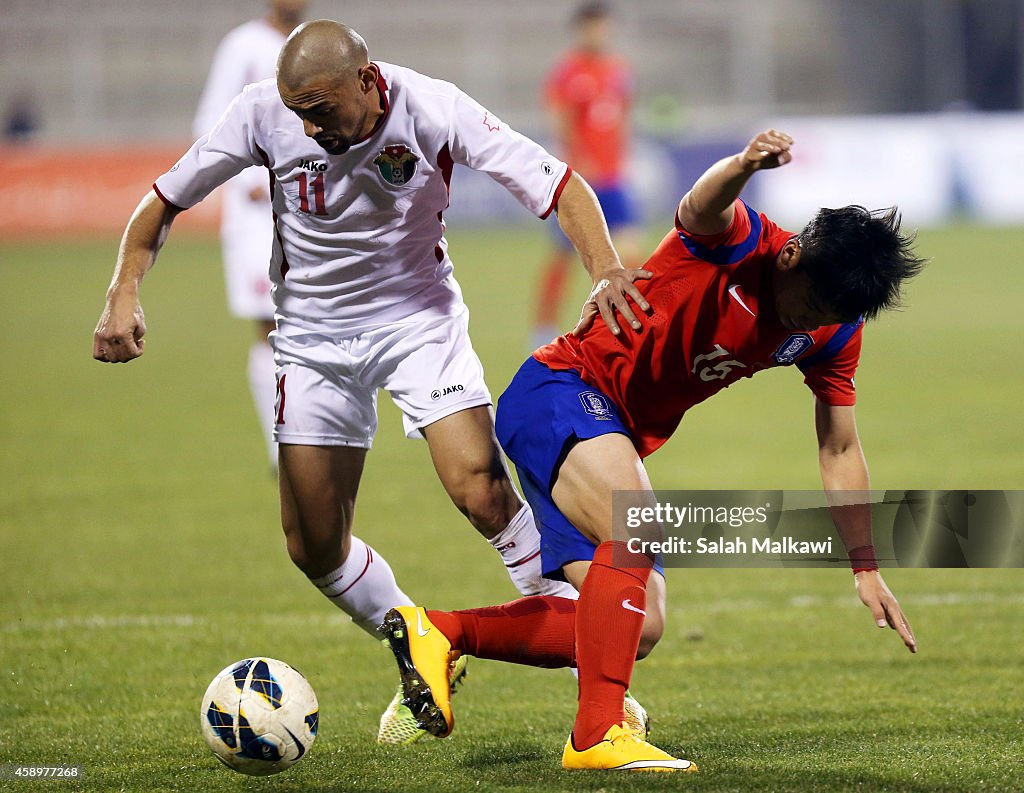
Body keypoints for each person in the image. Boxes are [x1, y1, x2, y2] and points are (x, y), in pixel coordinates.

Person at [92, 20, 651, 746]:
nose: (308, 124)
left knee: (481, 488)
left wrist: (607, 266)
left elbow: (557, 184)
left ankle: (592, 670)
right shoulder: (263, 111)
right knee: (313, 545)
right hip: (312, 340)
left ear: (366, 79)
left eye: (320, 108)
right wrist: (122, 289)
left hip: (420, 323)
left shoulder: (432, 108)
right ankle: (421, 642)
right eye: (299, 112)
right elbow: (163, 199)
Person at [379, 129, 924, 772]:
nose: (815, 321)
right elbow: (701, 204)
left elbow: (839, 447)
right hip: (564, 388)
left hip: (611, 430)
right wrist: (745, 164)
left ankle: (441, 632)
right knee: (634, 526)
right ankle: (597, 736)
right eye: (815, 302)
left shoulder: (832, 333)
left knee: (641, 627)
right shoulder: (745, 243)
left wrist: (864, 563)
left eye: (834, 314)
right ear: (792, 257)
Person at [193, 0, 310, 468]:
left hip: (311, 212)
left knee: (310, 326)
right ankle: (281, 447)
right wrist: (249, 180)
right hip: (258, 217)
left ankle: (311, 437)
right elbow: (209, 124)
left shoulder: (319, 43)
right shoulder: (243, 46)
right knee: (271, 326)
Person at [532, 1, 642, 348]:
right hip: (580, 181)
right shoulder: (566, 72)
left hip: (613, 179)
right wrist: (579, 159)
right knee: (564, 254)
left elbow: (622, 116)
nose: (599, 32)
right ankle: (542, 327)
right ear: (581, 30)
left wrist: (621, 158)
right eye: (592, 26)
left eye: (603, 26)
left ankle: (631, 321)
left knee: (631, 252)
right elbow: (559, 120)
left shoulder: (619, 70)